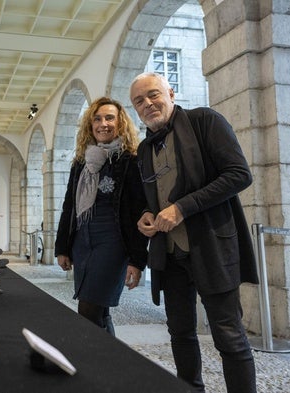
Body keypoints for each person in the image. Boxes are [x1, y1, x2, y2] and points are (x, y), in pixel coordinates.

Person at [129, 72, 259, 392]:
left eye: (154, 95)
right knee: (180, 333)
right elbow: (152, 199)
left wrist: (182, 208)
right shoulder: (144, 149)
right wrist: (146, 215)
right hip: (169, 255)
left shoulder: (205, 122)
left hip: (211, 246)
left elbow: (239, 175)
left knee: (229, 336)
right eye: (139, 101)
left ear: (171, 92)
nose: (148, 104)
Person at [55, 97, 148, 335]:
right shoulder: (80, 163)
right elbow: (69, 206)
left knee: (88, 311)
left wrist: (137, 260)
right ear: (90, 124)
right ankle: (113, 365)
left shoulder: (131, 160)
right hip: (82, 244)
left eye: (109, 118)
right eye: (97, 119)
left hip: (112, 244)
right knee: (100, 311)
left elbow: (140, 210)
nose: (103, 124)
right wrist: (62, 247)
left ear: (121, 123)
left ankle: (93, 364)